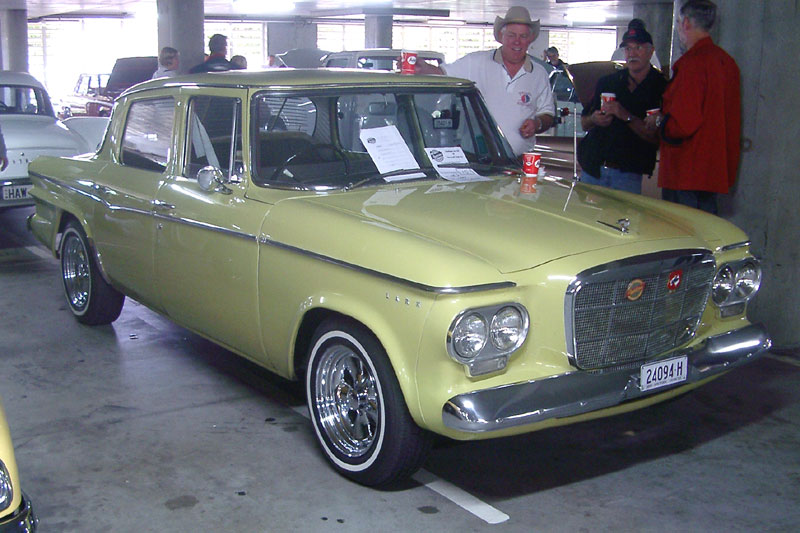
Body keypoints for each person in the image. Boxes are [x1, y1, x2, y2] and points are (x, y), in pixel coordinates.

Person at [414, 6, 554, 157]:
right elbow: (443, 73)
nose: (517, 42)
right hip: (478, 159)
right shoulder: (476, 62)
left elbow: (547, 114)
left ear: (530, 39)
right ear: (501, 36)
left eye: (523, 36)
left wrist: (537, 124)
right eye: (512, 35)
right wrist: (423, 68)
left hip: (521, 161)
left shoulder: (539, 74)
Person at [647, 0, 740, 214]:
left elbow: (683, 123)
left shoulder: (692, 65)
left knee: (681, 230)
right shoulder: (727, 63)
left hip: (685, 171)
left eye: (679, 23)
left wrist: (659, 121)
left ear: (686, 23)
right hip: (713, 172)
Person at [577, 26, 667, 194]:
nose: (632, 54)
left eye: (638, 47)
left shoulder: (661, 87)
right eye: (628, 49)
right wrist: (594, 119)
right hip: (593, 167)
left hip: (629, 173)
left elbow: (656, 137)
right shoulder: (608, 82)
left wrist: (625, 115)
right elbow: (584, 123)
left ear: (651, 51)